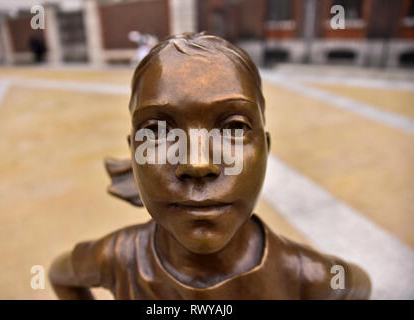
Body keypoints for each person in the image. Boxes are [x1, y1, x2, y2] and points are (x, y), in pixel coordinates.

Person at [49, 32, 371, 299]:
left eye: (233, 128)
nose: (197, 163)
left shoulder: (305, 275)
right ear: (134, 155)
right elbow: (61, 275)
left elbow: (359, 287)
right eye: (157, 132)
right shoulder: (117, 258)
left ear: (265, 149)